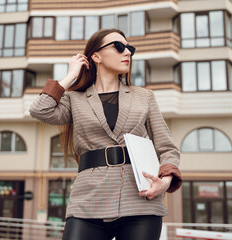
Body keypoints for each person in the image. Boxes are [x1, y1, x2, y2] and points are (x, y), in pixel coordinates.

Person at [29, 28, 182, 240]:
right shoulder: (75, 99)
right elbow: (40, 110)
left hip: (140, 200)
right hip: (88, 200)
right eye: (119, 47)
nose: (127, 52)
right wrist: (71, 75)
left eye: (130, 48)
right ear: (96, 56)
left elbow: (167, 148)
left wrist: (164, 183)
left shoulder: (144, 97)